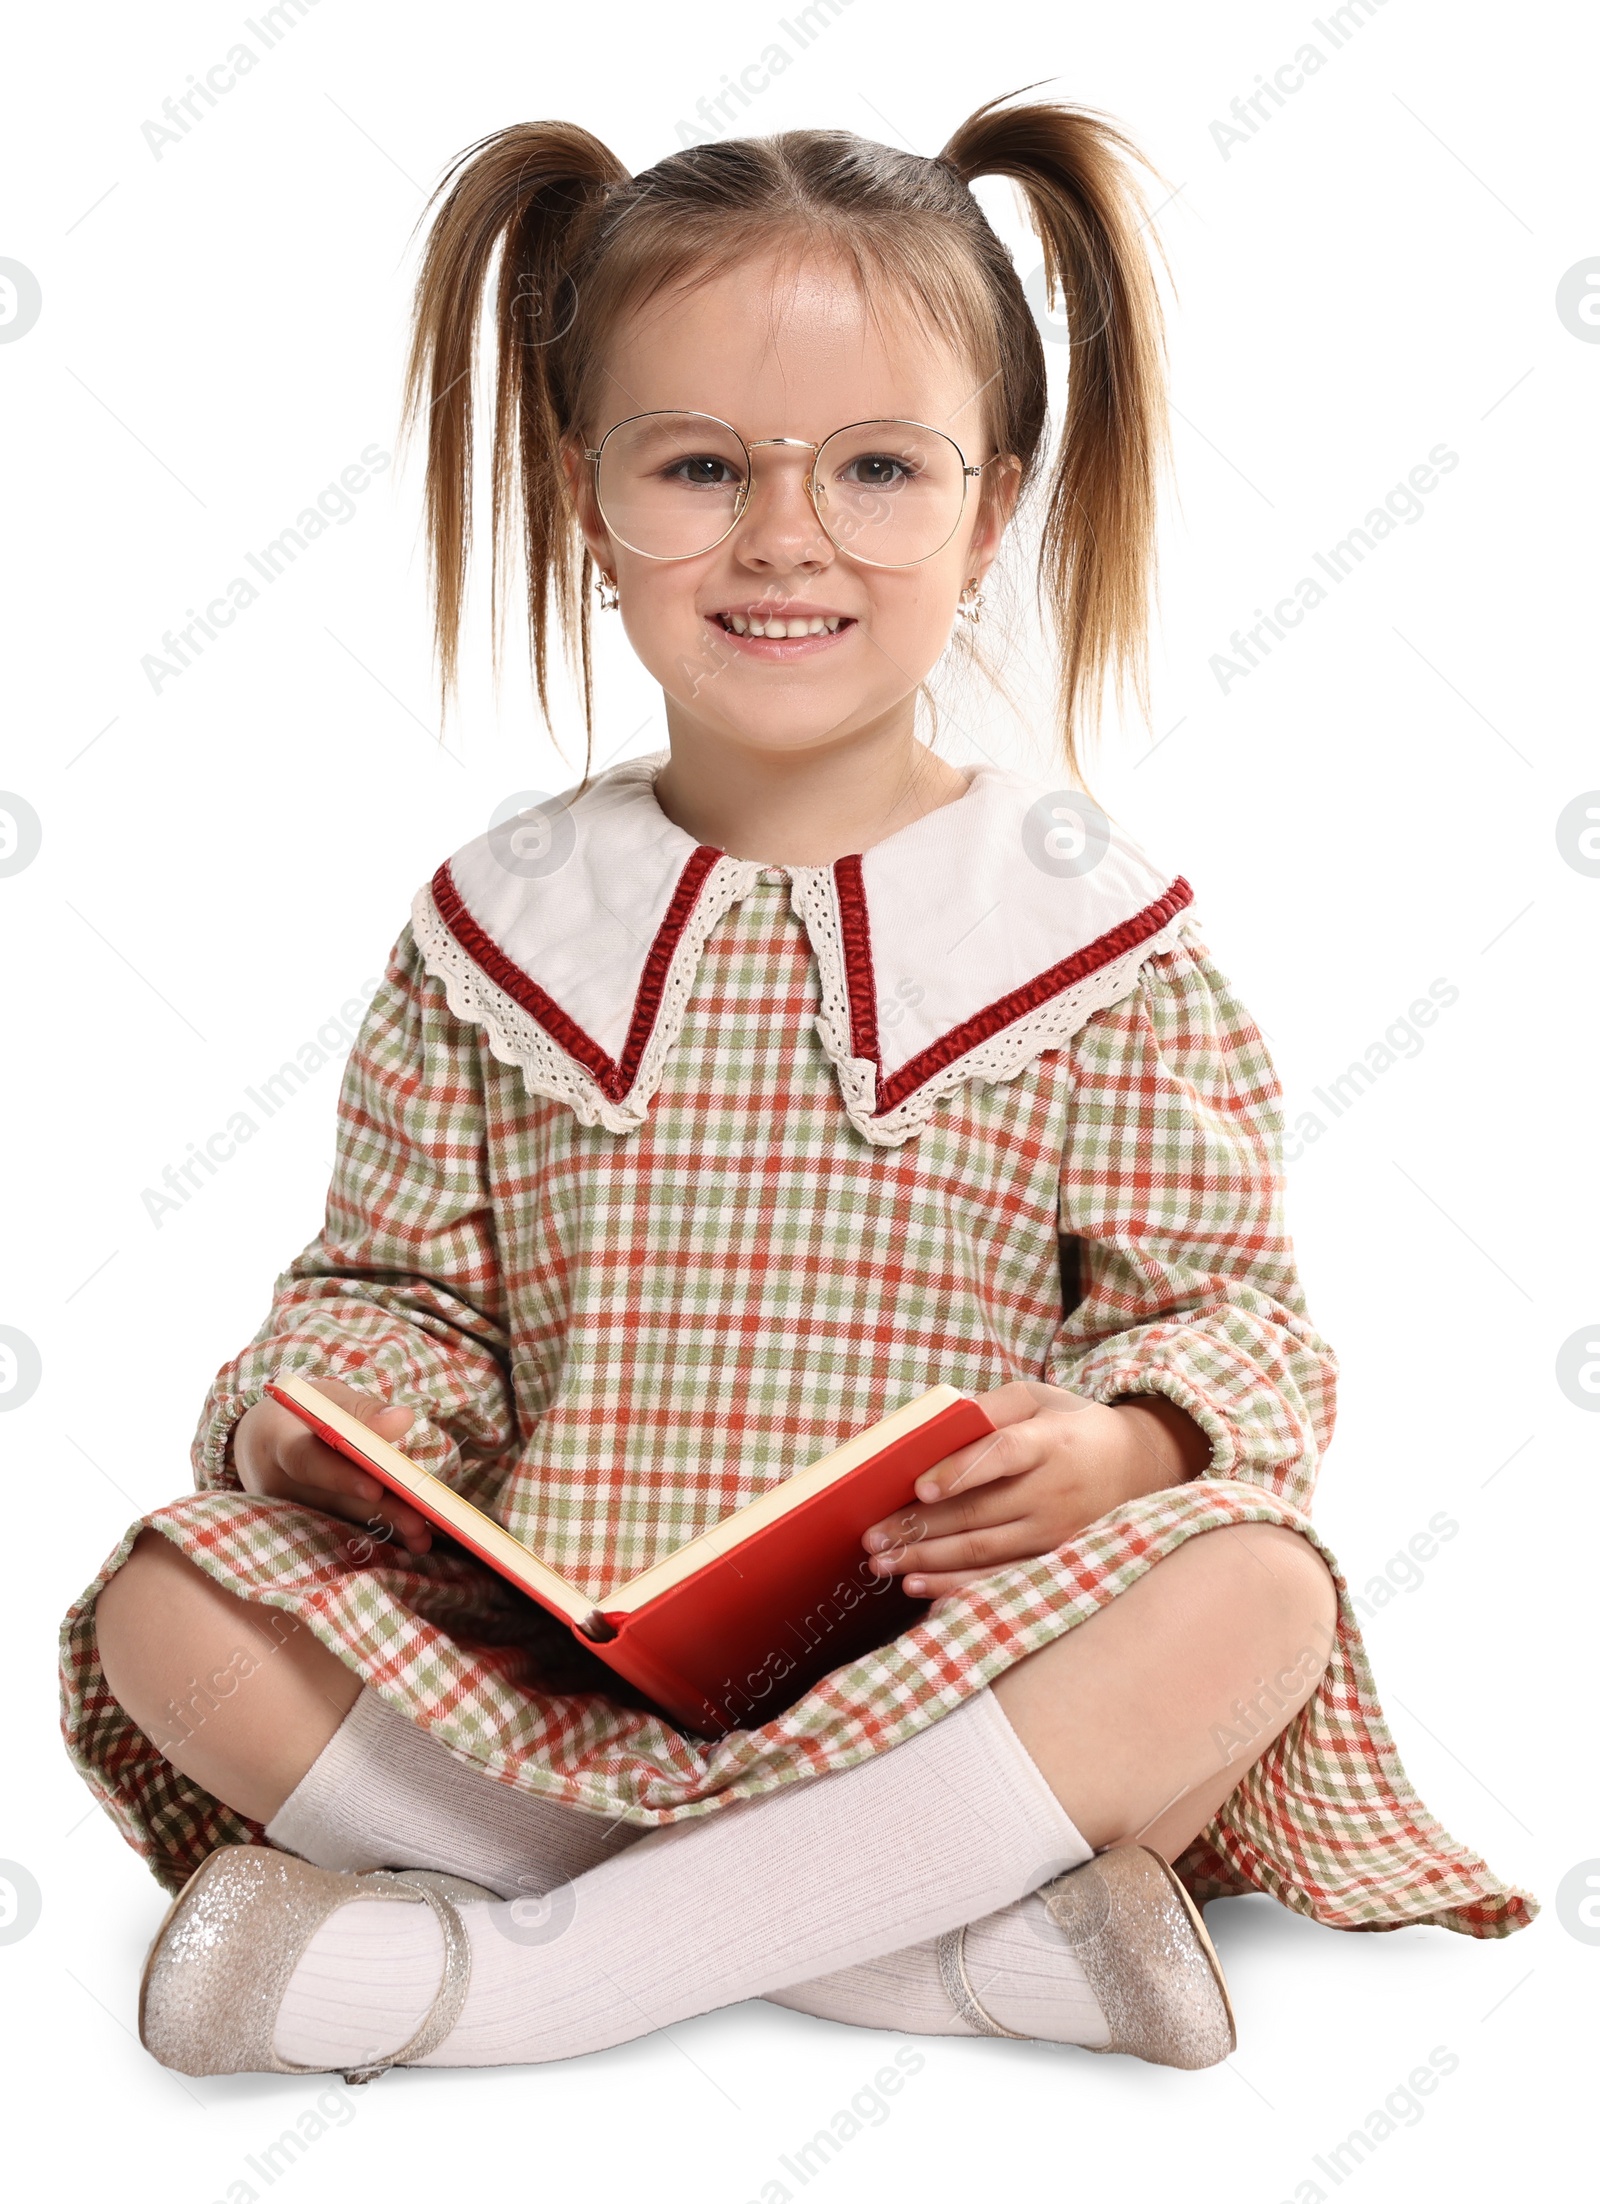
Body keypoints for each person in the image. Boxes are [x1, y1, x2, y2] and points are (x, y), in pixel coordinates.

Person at [64, 93, 1534, 2085]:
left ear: (987, 507)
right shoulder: (494, 930)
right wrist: (331, 1433)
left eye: (870, 469)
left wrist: (1119, 1451)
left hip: (958, 1675)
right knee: (168, 1598)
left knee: (1250, 1591)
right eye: (695, 466)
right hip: (558, 1670)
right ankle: (922, 1952)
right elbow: (389, 1293)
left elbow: (1230, 1322)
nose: (781, 536)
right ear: (587, 498)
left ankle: (511, 1975)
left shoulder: (1092, 942)